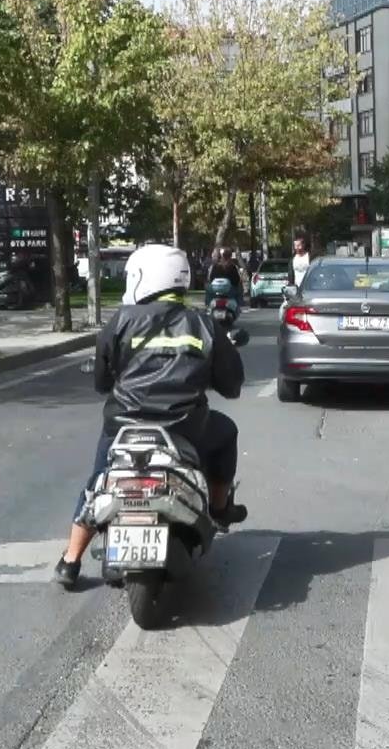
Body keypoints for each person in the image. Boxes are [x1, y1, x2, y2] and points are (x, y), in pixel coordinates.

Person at [54, 244, 246, 588]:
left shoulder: (121, 321)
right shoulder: (203, 324)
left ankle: (71, 560)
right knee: (226, 431)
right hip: (185, 428)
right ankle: (219, 509)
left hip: (123, 426)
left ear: (144, 278)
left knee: (99, 481)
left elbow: (101, 382)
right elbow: (232, 385)